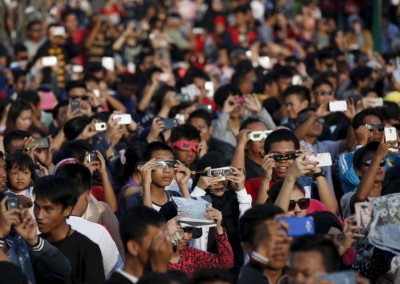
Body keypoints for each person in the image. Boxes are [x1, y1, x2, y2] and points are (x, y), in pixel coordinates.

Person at [33, 175, 105, 283]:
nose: (39, 215)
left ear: (67, 210)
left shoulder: (87, 250)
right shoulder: (33, 245)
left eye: (48, 209)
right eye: (37, 207)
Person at [54, 162, 124, 274]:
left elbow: (120, 249)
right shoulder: (99, 233)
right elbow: (117, 270)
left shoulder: (37, 227)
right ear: (87, 195)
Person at [191, 151, 252, 275]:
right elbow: (189, 220)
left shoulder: (237, 200)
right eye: (213, 175)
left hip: (237, 268)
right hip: (203, 271)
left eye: (223, 173)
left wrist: (241, 189)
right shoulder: (195, 199)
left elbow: (248, 228)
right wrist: (199, 190)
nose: (219, 181)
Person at [159, 201, 234, 277]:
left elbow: (226, 263)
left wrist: (218, 228)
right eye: (181, 230)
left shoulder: (191, 255)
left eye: (190, 230)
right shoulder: (154, 258)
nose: (187, 237)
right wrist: (166, 238)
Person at [106, 206, 173, 284]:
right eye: (158, 241)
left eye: (166, 239)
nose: (164, 248)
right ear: (133, 247)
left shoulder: (175, 277)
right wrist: (160, 271)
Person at [125, 142, 190, 211]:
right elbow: (149, 221)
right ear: (146, 167)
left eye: (171, 163)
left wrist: (183, 185)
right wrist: (146, 184)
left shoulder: (175, 196)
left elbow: (191, 218)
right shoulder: (135, 199)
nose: (167, 170)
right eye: (159, 164)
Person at [237, 204, 291, 284]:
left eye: (281, 236)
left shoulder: (301, 278)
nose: (278, 246)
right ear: (247, 247)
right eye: (267, 239)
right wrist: (260, 255)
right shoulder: (240, 279)